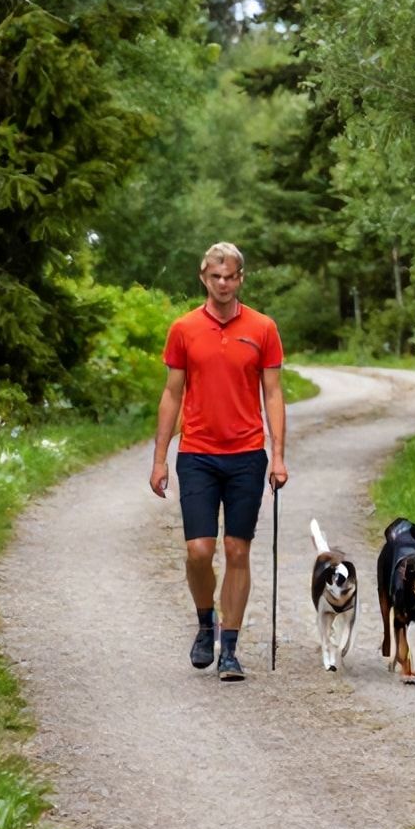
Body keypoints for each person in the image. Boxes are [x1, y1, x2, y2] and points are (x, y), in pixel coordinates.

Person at [149, 242, 288, 682]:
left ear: (240, 278)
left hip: (247, 454)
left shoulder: (263, 328)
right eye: (216, 277)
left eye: (230, 277)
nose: (223, 284)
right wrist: (159, 459)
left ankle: (229, 648)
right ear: (203, 278)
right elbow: (172, 393)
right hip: (198, 455)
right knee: (199, 551)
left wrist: (278, 455)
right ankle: (204, 620)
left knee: (237, 550)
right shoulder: (184, 328)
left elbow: (274, 393)